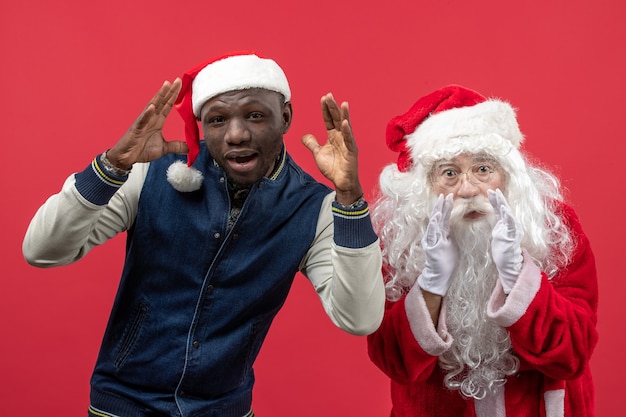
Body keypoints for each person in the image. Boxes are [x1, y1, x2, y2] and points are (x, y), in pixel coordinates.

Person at [22, 51, 385, 417]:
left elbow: (360, 318)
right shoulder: (151, 174)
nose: (237, 134)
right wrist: (112, 167)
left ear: (285, 117)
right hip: (123, 404)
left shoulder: (314, 207)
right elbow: (41, 249)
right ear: (202, 126)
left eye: (255, 115)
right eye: (218, 120)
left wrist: (350, 199)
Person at [366, 85, 598, 417]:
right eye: (449, 173)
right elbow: (394, 361)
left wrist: (517, 272)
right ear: (423, 189)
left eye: (483, 169)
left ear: (509, 177)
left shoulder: (555, 230)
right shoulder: (400, 244)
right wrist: (432, 282)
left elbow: (573, 353)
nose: (468, 189)